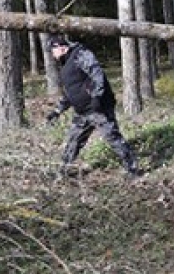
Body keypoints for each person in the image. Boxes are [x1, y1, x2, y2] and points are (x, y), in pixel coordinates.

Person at [45, 36, 143, 178]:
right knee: (74, 140)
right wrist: (56, 111)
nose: (52, 54)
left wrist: (97, 98)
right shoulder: (65, 64)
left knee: (113, 137)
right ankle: (63, 172)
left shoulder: (80, 54)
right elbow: (71, 92)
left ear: (61, 47)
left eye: (52, 50)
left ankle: (133, 169)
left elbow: (97, 74)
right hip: (83, 111)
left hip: (99, 108)